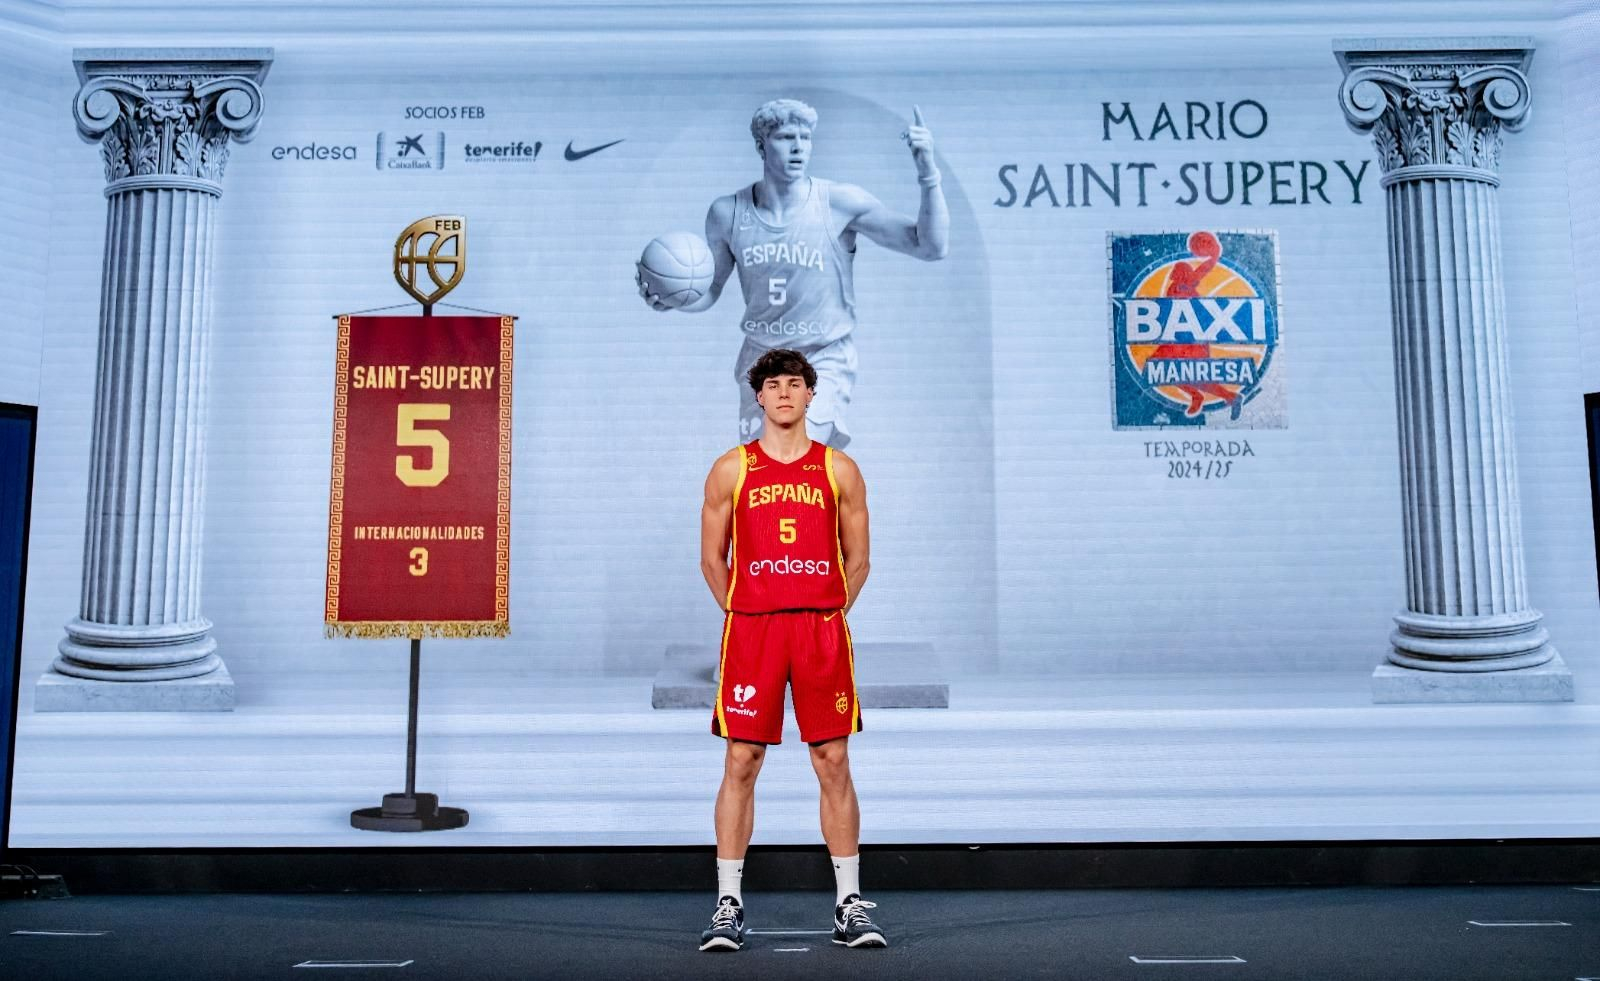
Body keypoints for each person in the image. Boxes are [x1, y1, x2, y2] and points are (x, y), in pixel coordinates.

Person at [695, 348, 883, 951]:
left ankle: (849, 904)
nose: (782, 394)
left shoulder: (838, 470)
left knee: (832, 760)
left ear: (810, 395)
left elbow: (859, 559)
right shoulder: (731, 469)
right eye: (772, 385)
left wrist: (827, 611)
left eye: (793, 385)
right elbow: (710, 558)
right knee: (741, 761)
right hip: (754, 630)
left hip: (818, 630)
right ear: (759, 397)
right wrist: (745, 611)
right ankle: (727, 905)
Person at [640, 98, 949, 448]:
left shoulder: (838, 204)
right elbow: (710, 290)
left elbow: (929, 246)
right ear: (761, 145)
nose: (799, 146)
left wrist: (928, 174)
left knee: (790, 452)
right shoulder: (728, 213)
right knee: (766, 483)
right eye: (787, 136)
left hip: (821, 356)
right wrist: (675, 298)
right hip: (761, 359)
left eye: (806, 137)